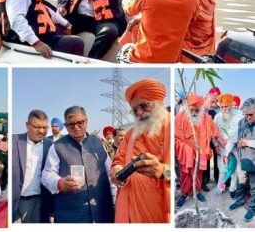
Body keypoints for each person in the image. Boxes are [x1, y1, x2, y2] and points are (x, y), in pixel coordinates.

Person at [110, 79, 171, 223]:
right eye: (135, 110)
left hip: (162, 209)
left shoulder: (173, 128)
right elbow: (118, 160)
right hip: (133, 208)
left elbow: (185, 171)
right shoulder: (130, 135)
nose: (139, 113)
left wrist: (163, 171)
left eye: (144, 105)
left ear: (158, 103)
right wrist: (116, 170)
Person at [41, 106, 114, 223]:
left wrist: (115, 200)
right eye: (71, 124)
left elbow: (111, 175)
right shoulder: (57, 146)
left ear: (86, 121)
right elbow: (47, 174)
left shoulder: (98, 143)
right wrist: (59, 183)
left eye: (80, 123)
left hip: (102, 210)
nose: (76, 127)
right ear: (65, 126)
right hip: (70, 214)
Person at [176, 93, 223, 207]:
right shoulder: (179, 117)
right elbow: (176, 136)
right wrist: (186, 148)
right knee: (185, 174)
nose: (193, 113)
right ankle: (184, 194)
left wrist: (222, 142)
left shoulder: (206, 117)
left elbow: (214, 130)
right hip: (185, 151)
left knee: (198, 174)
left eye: (196, 111)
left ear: (200, 109)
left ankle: (197, 192)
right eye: (191, 110)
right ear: (187, 108)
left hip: (200, 151)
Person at [13, 110, 54, 223]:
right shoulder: (13, 141)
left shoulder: (50, 145)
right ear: (27, 125)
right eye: (37, 127)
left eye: (45, 127)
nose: (41, 131)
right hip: (14, 200)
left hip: (38, 201)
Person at [225, 97, 255, 221]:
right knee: (240, 182)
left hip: (254, 161)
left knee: (254, 186)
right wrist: (227, 154)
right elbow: (234, 138)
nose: (248, 117)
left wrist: (247, 142)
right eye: (245, 114)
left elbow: (245, 141)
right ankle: (239, 200)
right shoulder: (241, 122)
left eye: (251, 114)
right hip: (243, 159)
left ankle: (252, 208)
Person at [215, 93, 241, 197]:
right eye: (222, 107)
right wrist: (216, 144)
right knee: (222, 170)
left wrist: (229, 141)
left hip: (234, 148)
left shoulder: (237, 116)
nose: (224, 109)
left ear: (230, 105)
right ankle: (220, 188)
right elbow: (214, 132)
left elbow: (236, 132)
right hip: (221, 148)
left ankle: (232, 189)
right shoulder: (217, 117)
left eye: (226, 106)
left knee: (234, 170)